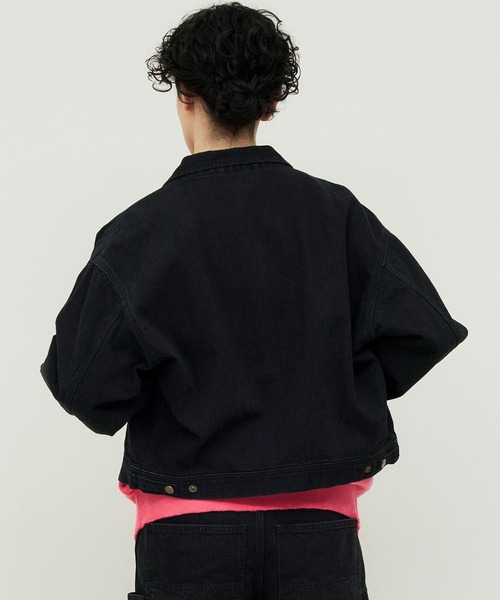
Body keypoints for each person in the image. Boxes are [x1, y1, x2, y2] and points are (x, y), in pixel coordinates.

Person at [39, 3, 468, 599]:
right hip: (319, 533)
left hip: (186, 534)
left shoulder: (140, 234)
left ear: (184, 93)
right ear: (270, 103)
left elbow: (85, 388)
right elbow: (422, 330)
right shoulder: (337, 215)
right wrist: (337, 388)